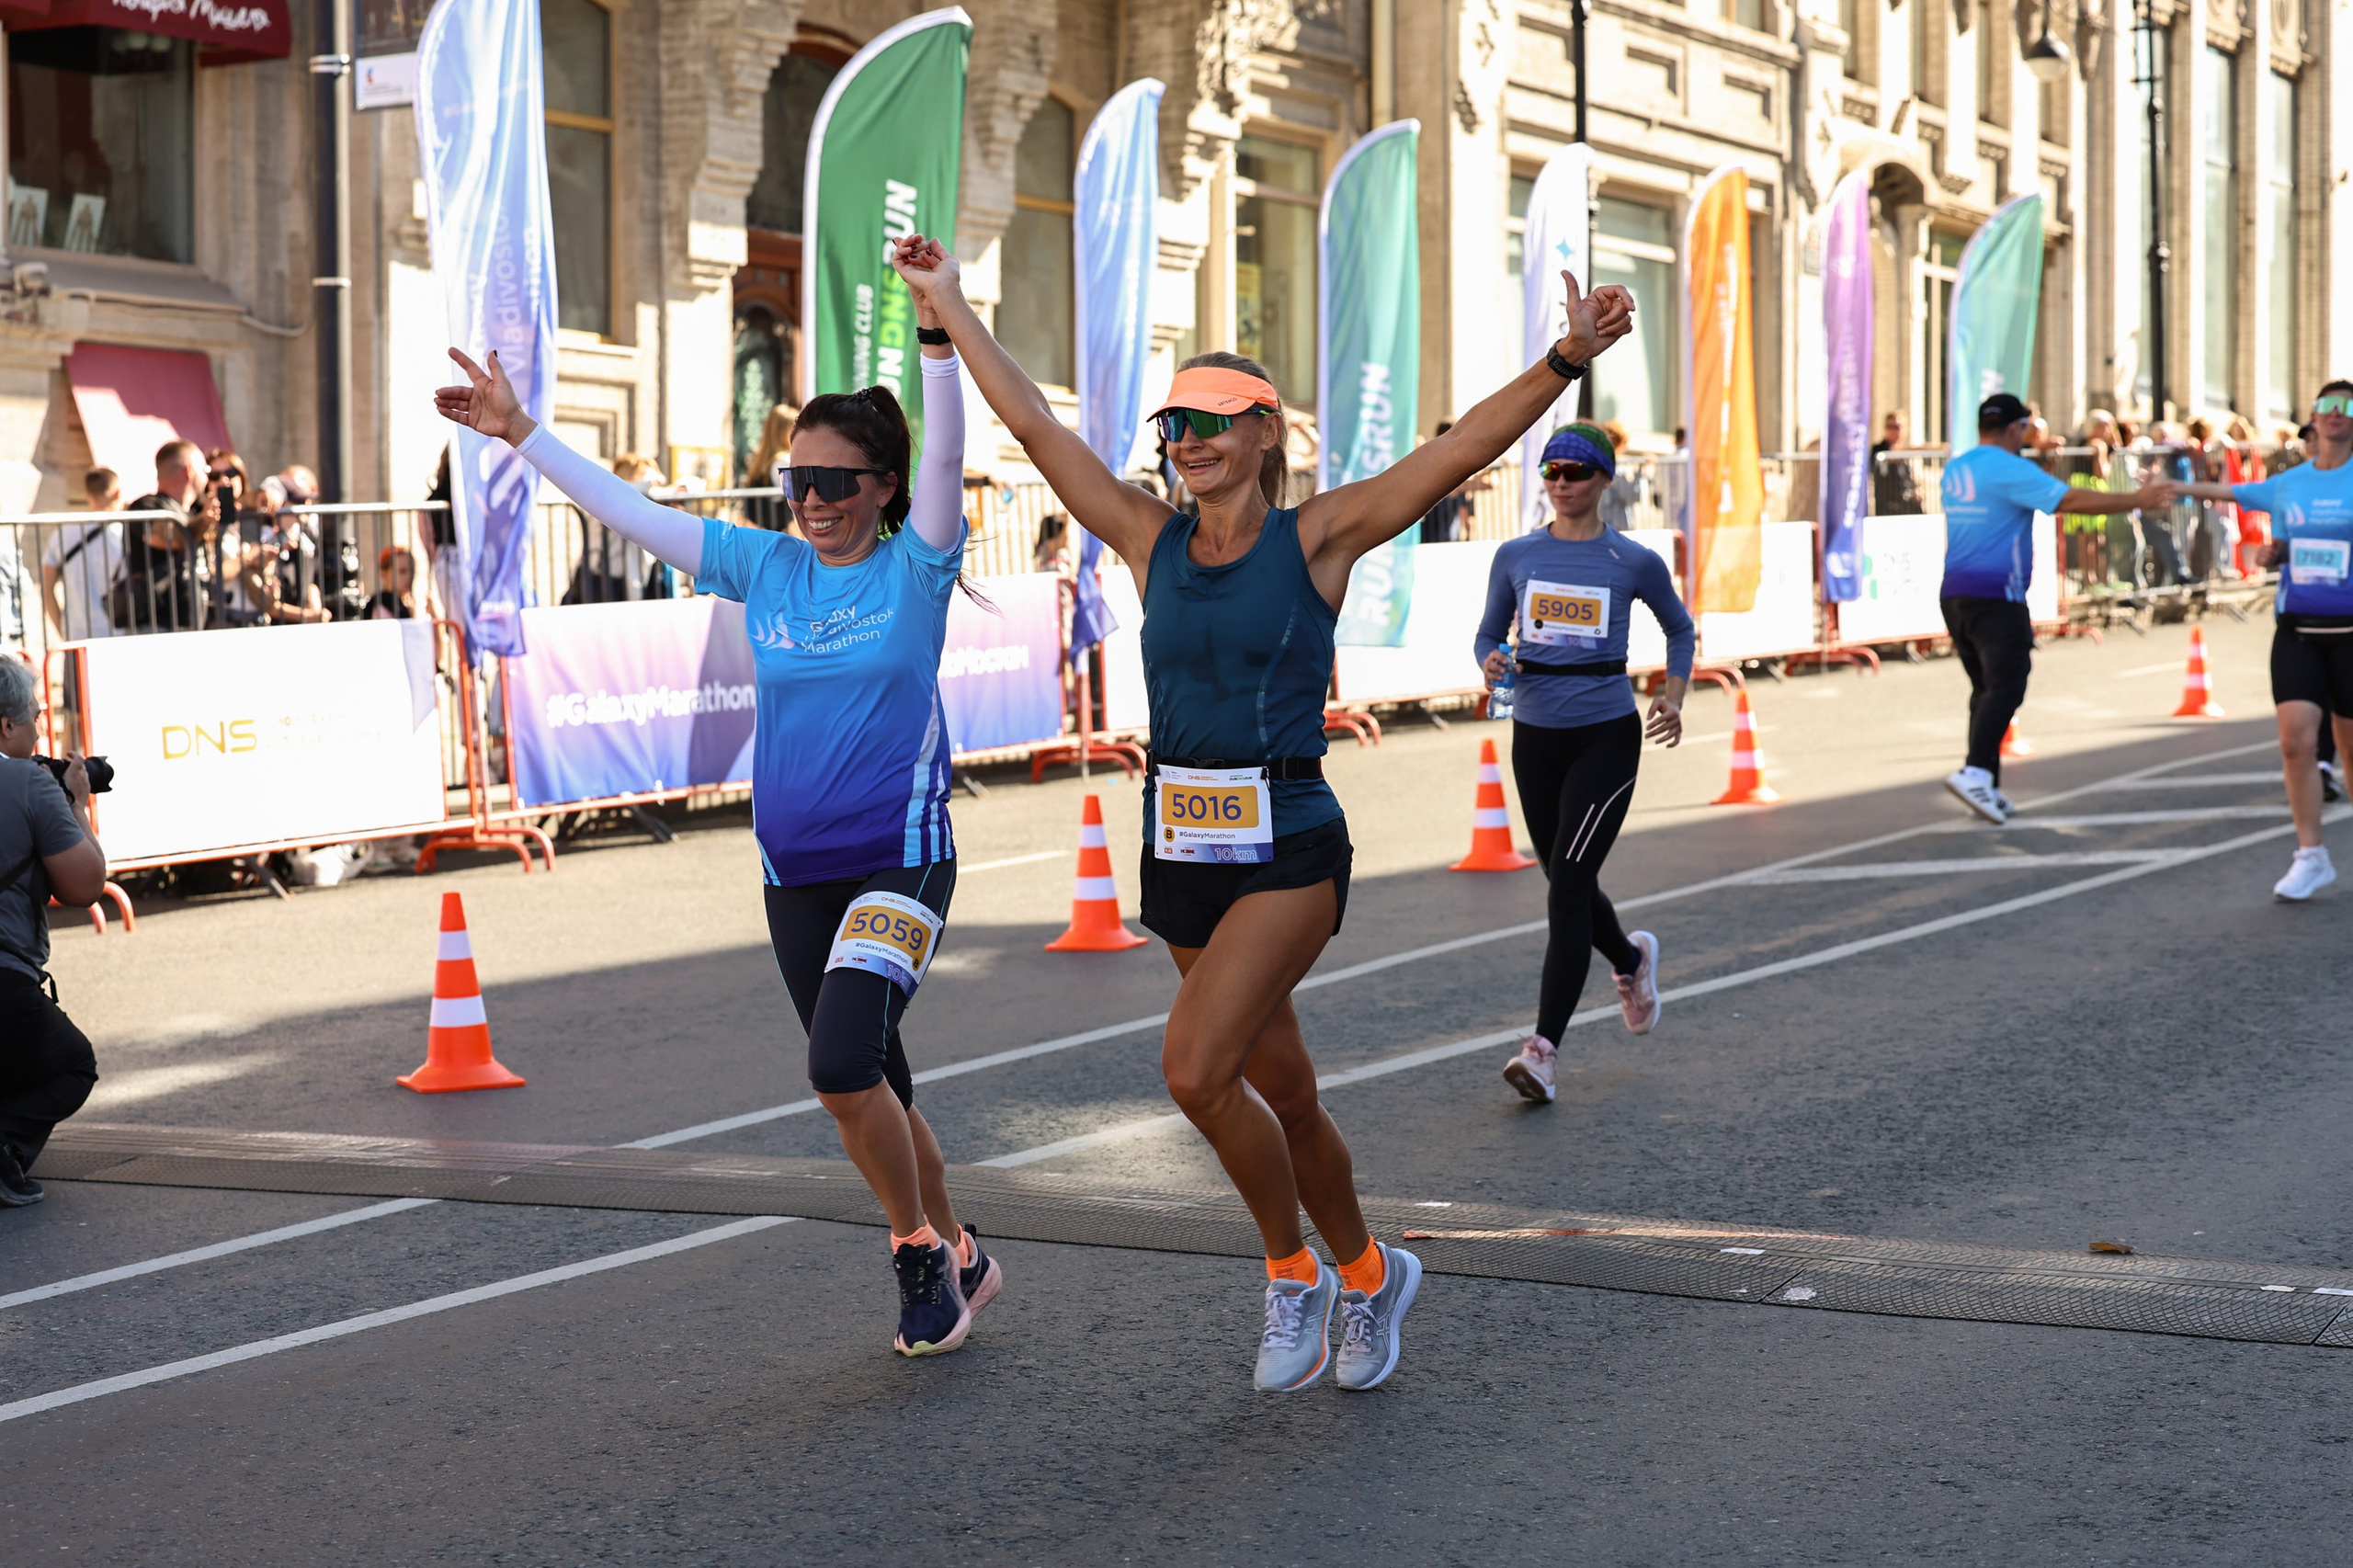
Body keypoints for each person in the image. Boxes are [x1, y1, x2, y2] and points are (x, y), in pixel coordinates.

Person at [897, 228, 1634, 1392]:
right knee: (1281, 1090)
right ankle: (1367, 1268)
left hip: (1289, 841)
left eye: (1208, 421)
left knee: (1193, 1070)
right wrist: (947, 299)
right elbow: (1036, 427)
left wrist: (1561, 358)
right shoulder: (1149, 538)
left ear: (1263, 430)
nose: (1183, 442)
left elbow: (1451, 457)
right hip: (1179, 844)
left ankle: (1290, 1266)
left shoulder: (1317, 536)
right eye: (1169, 426)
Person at [435, 251, 1004, 1358]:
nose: (813, 503)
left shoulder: (917, 563)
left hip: (899, 858)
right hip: (795, 871)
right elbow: (632, 510)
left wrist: (938, 333)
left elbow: (948, 448)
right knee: (876, 1079)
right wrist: (521, 432)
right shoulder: (765, 568)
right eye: (797, 482)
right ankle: (965, 1252)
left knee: (839, 1064)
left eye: (836, 482)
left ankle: (917, 1254)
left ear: (882, 487)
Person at [1476, 423, 1693, 1103]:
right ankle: (1631, 959)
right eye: (1552, 472)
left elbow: (1680, 628)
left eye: (1575, 472)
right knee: (1566, 877)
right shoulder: (1516, 554)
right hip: (1535, 735)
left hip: (1605, 734)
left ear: (1603, 479)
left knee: (1567, 882)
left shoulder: (1631, 561)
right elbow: (1489, 632)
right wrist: (1488, 661)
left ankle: (1542, 1051)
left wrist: (1673, 694)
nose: (1562, 483)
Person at [1939, 392, 2171, 823]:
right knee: (2008, 684)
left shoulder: (1958, 466)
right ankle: (1974, 772)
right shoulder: (2010, 468)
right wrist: (2135, 500)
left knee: (1985, 689)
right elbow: (2069, 501)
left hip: (1955, 592)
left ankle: (1984, 784)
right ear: (2014, 429)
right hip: (1996, 594)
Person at [2163, 381, 2353, 900]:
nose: (2337, 413)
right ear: (2313, 417)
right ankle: (2311, 855)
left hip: (2350, 633)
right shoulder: (2291, 484)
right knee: (2296, 742)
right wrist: (2175, 490)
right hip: (2299, 631)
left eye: (2348, 406)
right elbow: (2227, 494)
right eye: (2328, 405)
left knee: (2351, 749)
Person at [0, 656, 104, 1205]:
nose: (40, 731)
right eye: (35, 719)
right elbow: (84, 887)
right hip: (4, 986)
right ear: (6, 726)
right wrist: (76, 805)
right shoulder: (27, 783)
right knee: (71, 1064)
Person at [41, 469, 124, 642]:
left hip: (76, 636)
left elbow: (47, 589)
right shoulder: (126, 533)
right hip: (117, 635)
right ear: (118, 494)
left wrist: (64, 633)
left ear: (87, 495)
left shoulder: (63, 533)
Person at [1871, 410, 1924, 515]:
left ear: (1906, 429)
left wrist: (1918, 489)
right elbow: (1892, 455)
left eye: (1897, 427)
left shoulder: (1906, 454)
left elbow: (1912, 478)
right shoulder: (1878, 450)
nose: (1893, 431)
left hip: (1908, 506)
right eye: (1889, 426)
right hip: (1887, 508)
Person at [370, 546, 419, 619]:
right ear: (383, 573)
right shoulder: (382, 606)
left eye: (412, 570)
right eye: (402, 571)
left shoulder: (409, 604)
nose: (409, 577)